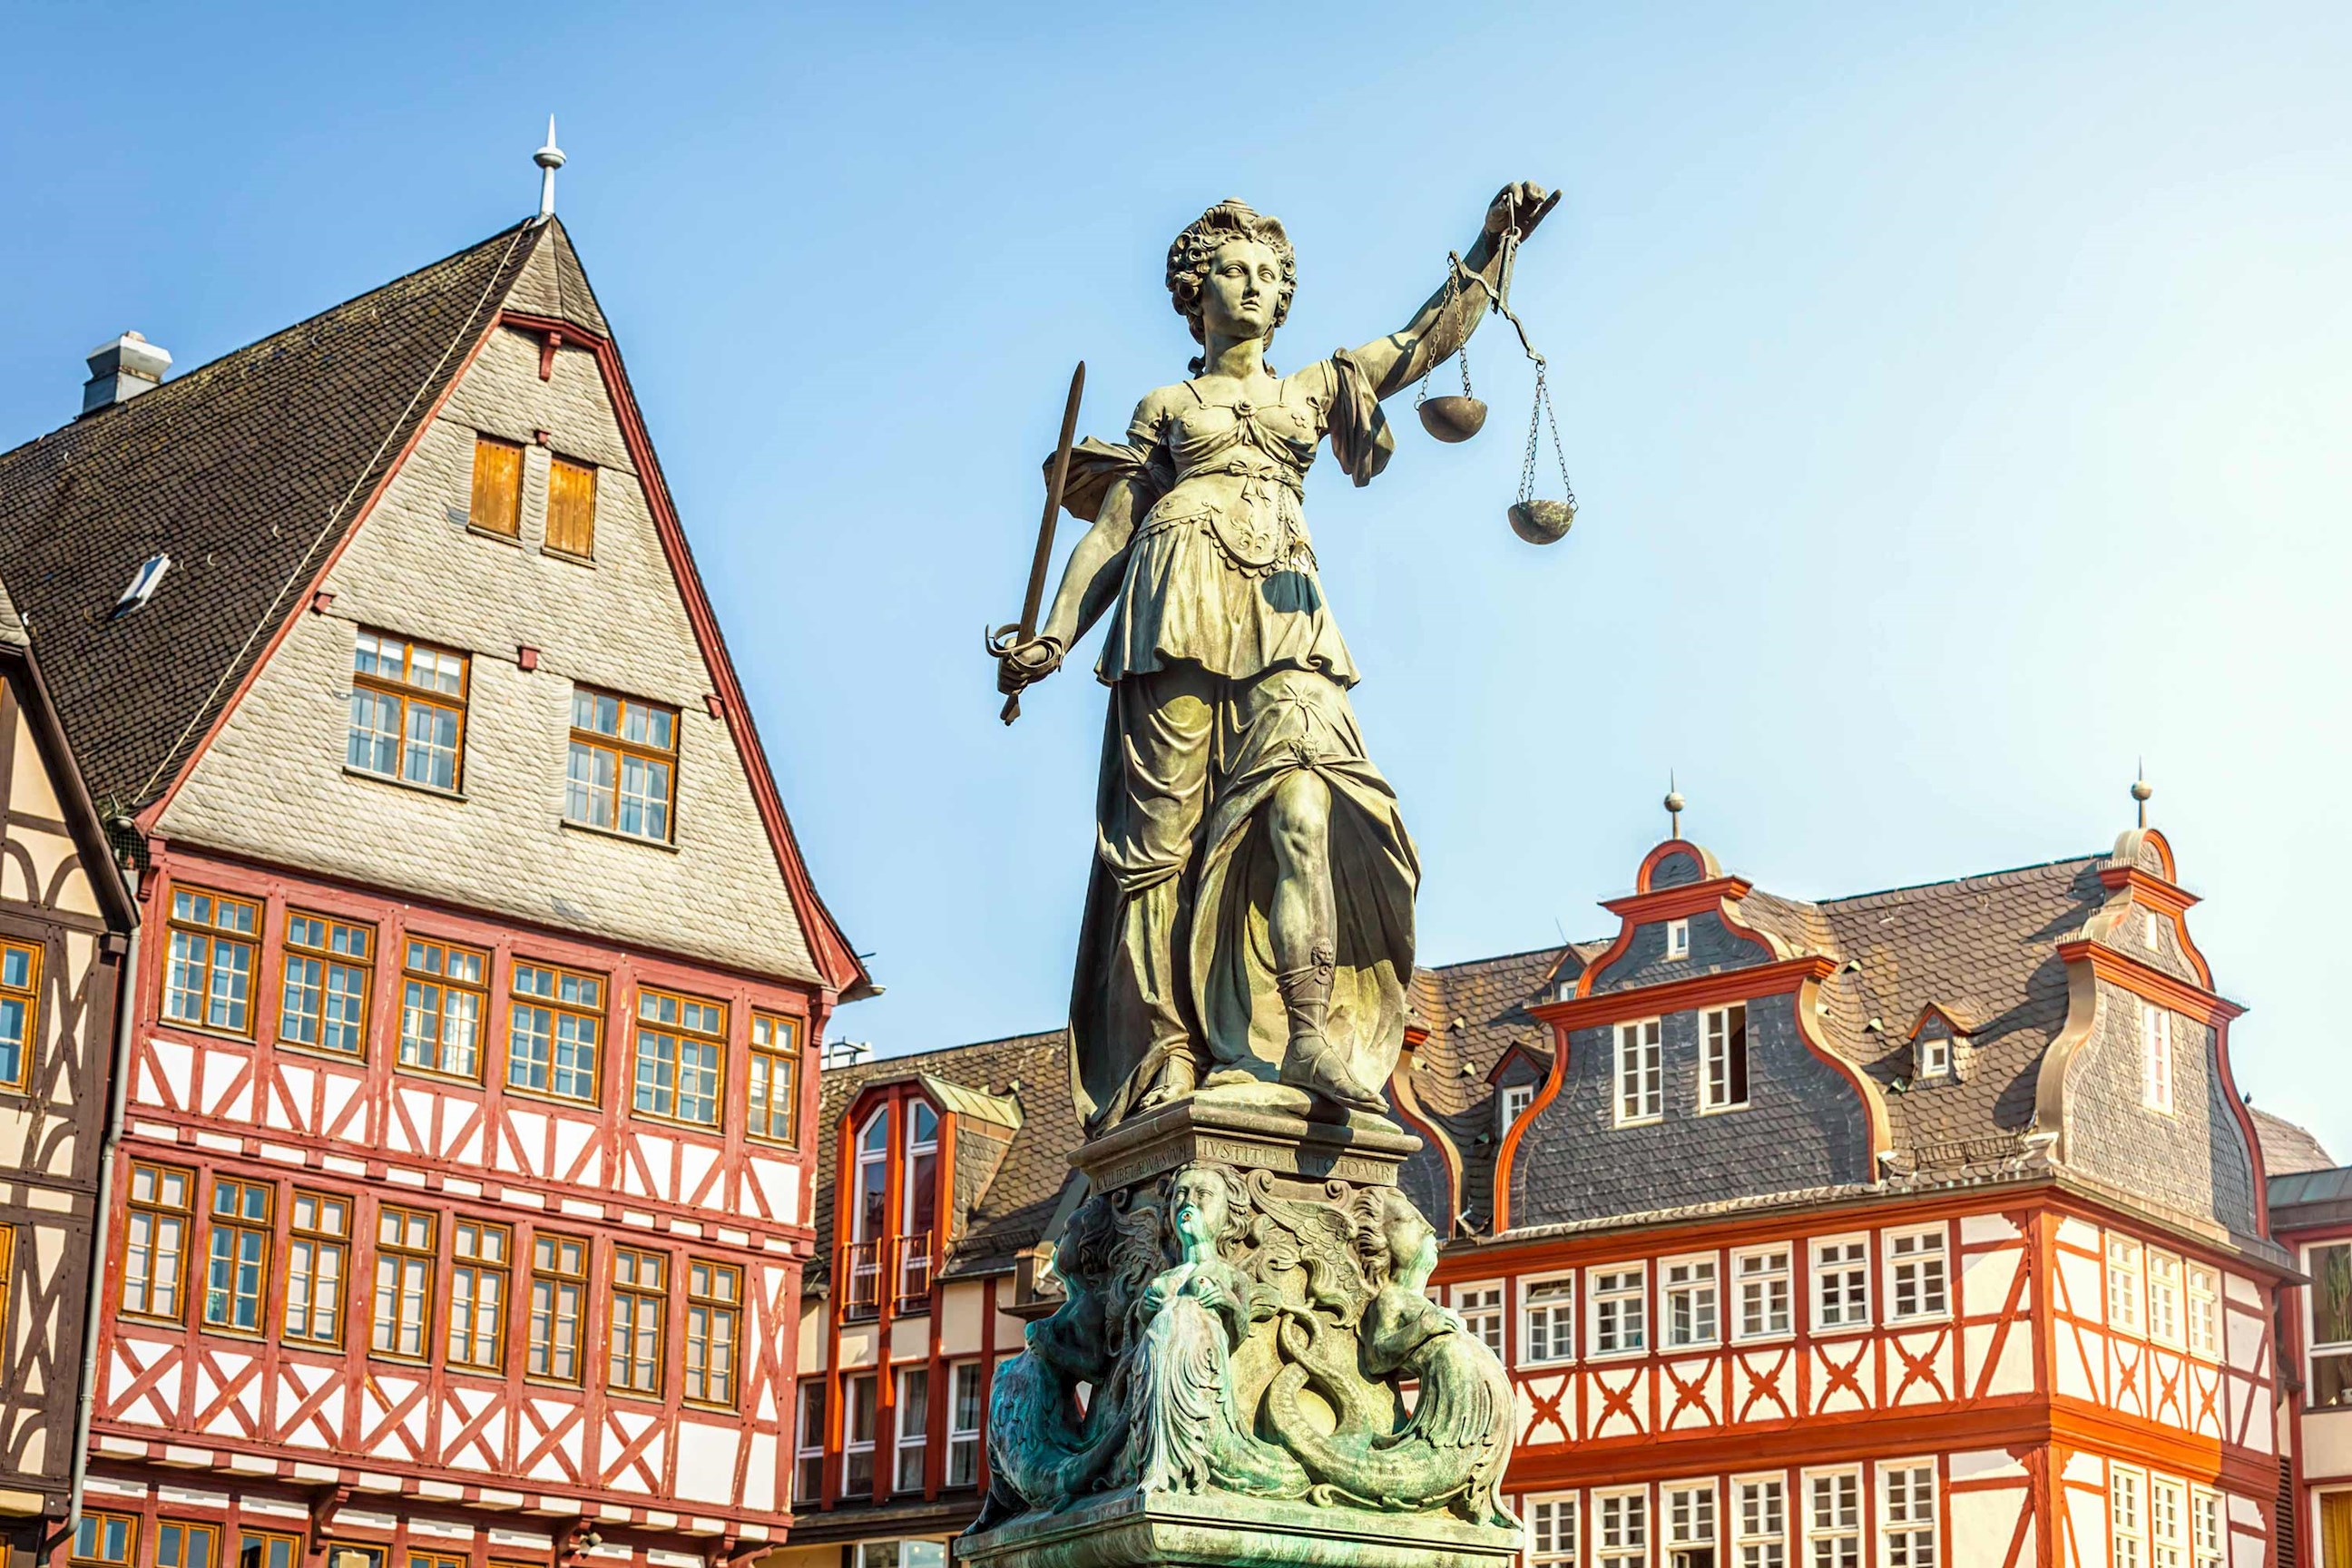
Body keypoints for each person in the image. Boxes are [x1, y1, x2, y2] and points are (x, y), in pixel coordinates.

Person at [995, 185, 1553, 1132]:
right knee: (1157, 851)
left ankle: (1306, 1031)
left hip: (1286, 614)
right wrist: (1053, 635)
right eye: (1233, 270)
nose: (1253, 285)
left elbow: (1420, 343)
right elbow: (1111, 534)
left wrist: (1493, 244)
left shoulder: (1312, 389)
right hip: (1171, 608)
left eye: (1268, 273)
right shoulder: (1166, 405)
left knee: (1310, 803)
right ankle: (1164, 1053)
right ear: (1195, 292)